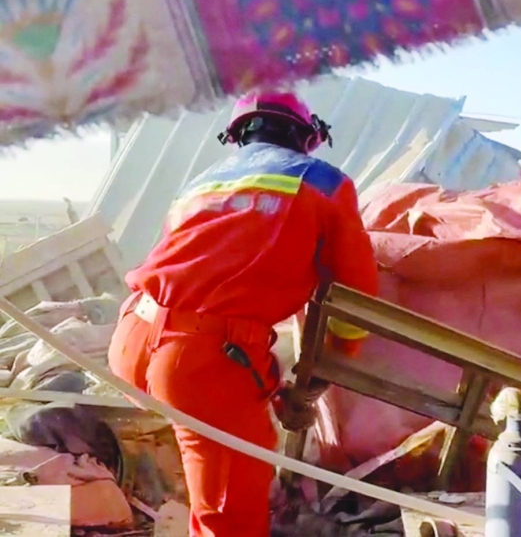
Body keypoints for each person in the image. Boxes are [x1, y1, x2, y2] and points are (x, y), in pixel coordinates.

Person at [107, 90, 379, 537]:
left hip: (135, 336)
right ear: (305, 136)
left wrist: (266, 386)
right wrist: (331, 363)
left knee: (208, 481)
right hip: (199, 358)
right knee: (231, 518)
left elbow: (208, 277)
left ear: (237, 137)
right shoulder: (323, 182)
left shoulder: (202, 183)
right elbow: (355, 295)